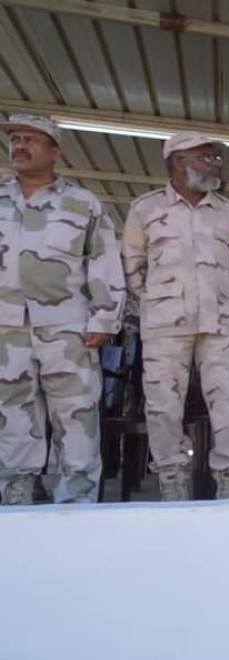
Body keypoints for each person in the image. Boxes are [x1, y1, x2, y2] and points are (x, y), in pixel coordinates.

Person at [0, 114, 125, 505]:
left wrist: (105, 318)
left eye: (31, 140)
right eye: (15, 138)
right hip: (6, 329)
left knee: (76, 416)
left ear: (55, 152)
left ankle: (76, 501)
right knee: (12, 415)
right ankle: (15, 492)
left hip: (68, 328)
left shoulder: (82, 202)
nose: (19, 145)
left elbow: (104, 261)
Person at [122, 131, 229, 500]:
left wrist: (226, 300)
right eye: (205, 156)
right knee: (163, 406)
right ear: (178, 161)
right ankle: (172, 489)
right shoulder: (145, 209)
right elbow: (133, 266)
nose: (214, 163)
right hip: (165, 325)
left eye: (216, 158)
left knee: (228, 404)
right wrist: (161, 301)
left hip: (219, 323)